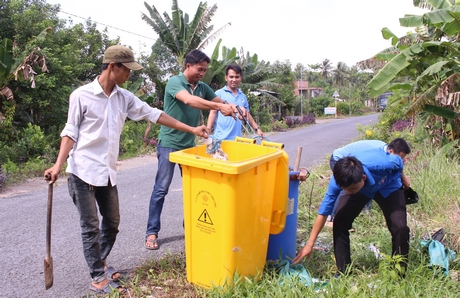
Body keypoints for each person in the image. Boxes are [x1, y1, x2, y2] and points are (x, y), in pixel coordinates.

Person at [43, 45, 209, 294]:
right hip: (81, 171)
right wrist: (57, 165)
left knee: (112, 222)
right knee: (89, 226)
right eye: (127, 70)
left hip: (106, 171)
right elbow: (70, 132)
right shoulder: (81, 95)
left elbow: (155, 114)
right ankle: (98, 276)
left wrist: (193, 129)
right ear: (113, 67)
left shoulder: (124, 97)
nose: (129, 75)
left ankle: (102, 261)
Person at [145, 50, 242, 250]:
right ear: (188, 66)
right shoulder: (175, 82)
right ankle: (152, 232)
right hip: (169, 144)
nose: (202, 73)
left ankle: (190, 228)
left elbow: (220, 101)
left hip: (189, 146)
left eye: (205, 70)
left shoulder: (202, 87)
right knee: (161, 189)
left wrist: (232, 106)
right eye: (199, 69)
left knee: (194, 189)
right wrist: (217, 107)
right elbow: (189, 101)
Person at [292, 148, 411, 277]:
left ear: (363, 177)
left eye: (351, 189)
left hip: (388, 186)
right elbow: (323, 212)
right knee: (340, 222)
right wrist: (309, 244)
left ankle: (399, 273)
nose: (348, 192)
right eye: (345, 189)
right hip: (362, 190)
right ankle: (343, 272)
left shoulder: (382, 163)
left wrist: (403, 178)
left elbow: (398, 161)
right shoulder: (341, 182)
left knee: (400, 227)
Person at [328, 138, 411, 220]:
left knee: (367, 183)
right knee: (349, 186)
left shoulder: (384, 156)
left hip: (356, 162)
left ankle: (365, 210)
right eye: (400, 158)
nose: (402, 161)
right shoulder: (376, 154)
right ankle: (333, 216)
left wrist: (402, 178)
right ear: (391, 151)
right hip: (339, 159)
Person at [206, 64, 263, 140]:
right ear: (226, 78)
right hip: (220, 139)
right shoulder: (219, 94)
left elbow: (247, 115)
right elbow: (213, 112)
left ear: (240, 78)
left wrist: (257, 129)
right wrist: (208, 130)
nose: (234, 80)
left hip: (237, 139)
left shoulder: (243, 96)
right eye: (231, 77)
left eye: (237, 77)